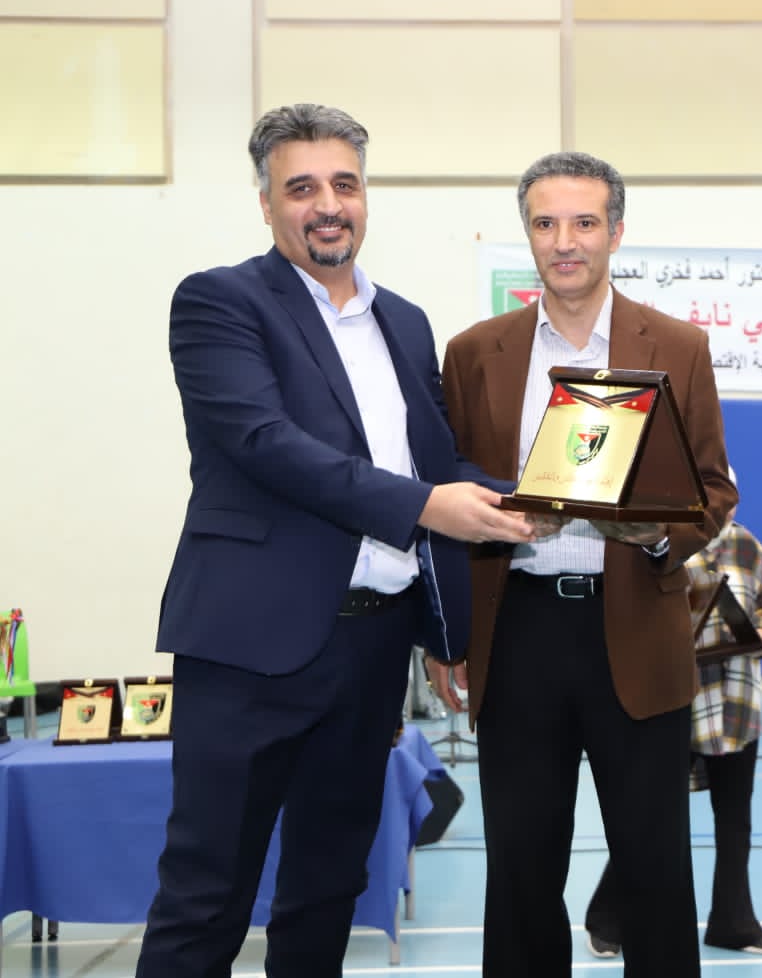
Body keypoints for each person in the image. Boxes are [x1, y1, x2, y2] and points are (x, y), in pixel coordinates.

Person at [138, 103, 535, 978]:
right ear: (266, 202)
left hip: (370, 650)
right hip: (249, 650)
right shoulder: (220, 302)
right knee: (207, 893)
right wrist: (429, 505)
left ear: (365, 196)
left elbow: (434, 461)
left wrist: (543, 496)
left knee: (329, 889)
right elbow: (268, 446)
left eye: (344, 184)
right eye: (302, 187)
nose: (328, 206)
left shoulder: (406, 322)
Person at [428, 150, 736, 977]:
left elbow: (714, 489)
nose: (565, 241)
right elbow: (445, 495)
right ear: (527, 234)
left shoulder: (678, 346)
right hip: (517, 632)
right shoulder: (474, 353)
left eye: (584, 223)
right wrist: (446, 634)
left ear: (616, 232)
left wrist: (657, 537)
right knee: (521, 870)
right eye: (546, 223)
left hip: (635, 626)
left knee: (655, 869)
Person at [585, 480, 762, 958]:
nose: (724, 509)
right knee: (654, 820)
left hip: (736, 706)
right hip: (677, 702)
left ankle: (733, 923)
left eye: (730, 502)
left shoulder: (747, 545)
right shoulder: (661, 544)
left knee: (735, 822)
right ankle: (608, 918)